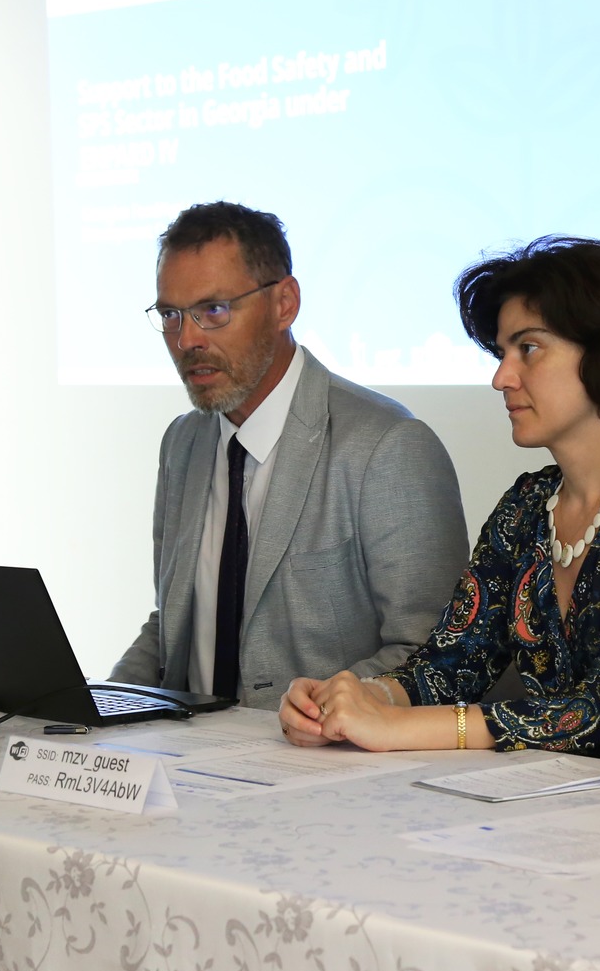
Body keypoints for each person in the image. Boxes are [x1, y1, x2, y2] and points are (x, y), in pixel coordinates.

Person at [280, 237, 600, 762]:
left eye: (529, 349)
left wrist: (395, 727)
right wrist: (352, 699)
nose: (501, 377)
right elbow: (453, 664)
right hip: (546, 792)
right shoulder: (527, 505)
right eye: (502, 353)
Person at [108, 202, 469, 710]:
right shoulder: (182, 443)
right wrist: (99, 706)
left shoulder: (389, 445)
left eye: (214, 310)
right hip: (188, 751)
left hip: (323, 754)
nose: (187, 339)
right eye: (171, 315)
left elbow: (437, 657)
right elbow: (174, 627)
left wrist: (315, 712)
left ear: (284, 304)